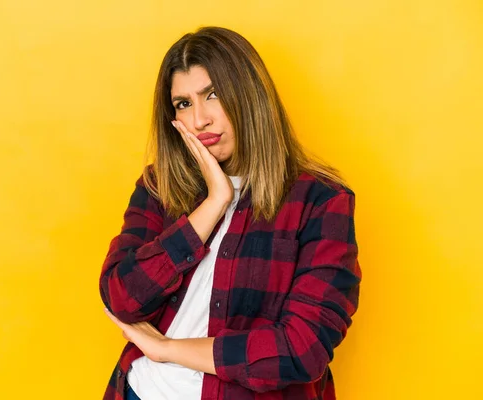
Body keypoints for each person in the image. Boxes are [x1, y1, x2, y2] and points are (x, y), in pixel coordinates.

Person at [99, 26, 361, 400]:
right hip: (142, 390)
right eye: (183, 103)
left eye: (213, 95)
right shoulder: (160, 186)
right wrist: (214, 202)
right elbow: (121, 296)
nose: (200, 119)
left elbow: (301, 349)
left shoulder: (321, 202)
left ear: (249, 97)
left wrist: (170, 350)